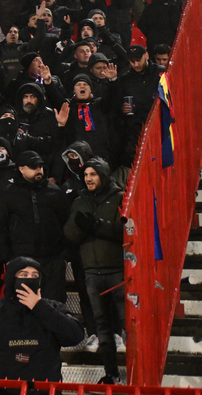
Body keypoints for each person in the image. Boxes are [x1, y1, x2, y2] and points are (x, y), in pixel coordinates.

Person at [0, 257, 84, 384]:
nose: (30, 279)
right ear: (12, 278)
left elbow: (75, 336)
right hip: (4, 388)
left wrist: (39, 307)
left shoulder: (54, 308)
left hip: (44, 389)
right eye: (24, 275)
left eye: (35, 276)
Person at [63, 158, 126, 383]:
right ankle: (111, 374)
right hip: (91, 272)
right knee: (102, 328)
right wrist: (83, 227)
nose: (88, 178)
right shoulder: (79, 201)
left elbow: (124, 231)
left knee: (128, 325)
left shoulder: (119, 197)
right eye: (86, 175)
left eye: (93, 174)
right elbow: (70, 234)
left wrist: (97, 226)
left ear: (103, 175)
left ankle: (138, 372)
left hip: (117, 271)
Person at [0, 151, 70, 302]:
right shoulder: (8, 194)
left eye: (40, 166)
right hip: (21, 260)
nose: (38, 170)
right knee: (21, 305)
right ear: (21, 169)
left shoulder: (55, 192)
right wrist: (7, 258)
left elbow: (67, 224)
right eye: (33, 167)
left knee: (54, 305)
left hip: (52, 260)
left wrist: (64, 257)